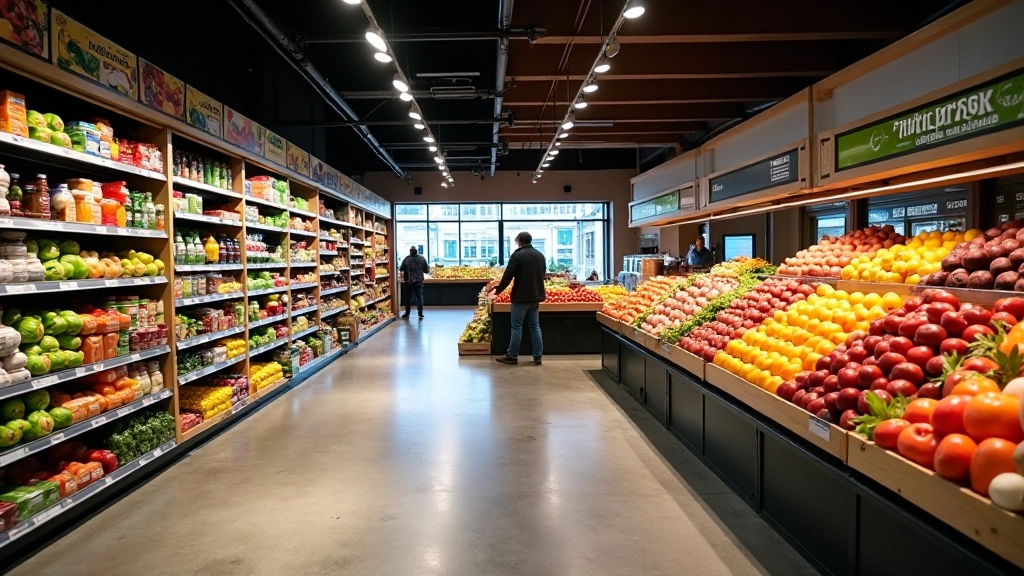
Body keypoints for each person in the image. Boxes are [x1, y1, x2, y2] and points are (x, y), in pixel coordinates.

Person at [489, 231, 546, 365]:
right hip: (536, 296)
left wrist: (498, 290)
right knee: (535, 326)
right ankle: (538, 356)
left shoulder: (517, 255)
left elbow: (508, 276)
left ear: (519, 240)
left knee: (516, 327)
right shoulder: (540, 255)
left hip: (521, 297)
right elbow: (542, 274)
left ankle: (512, 355)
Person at [399, 247, 429, 319]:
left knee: (408, 298)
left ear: (410, 252)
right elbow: (427, 270)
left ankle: (407, 313)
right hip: (419, 281)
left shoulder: (406, 259)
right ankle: (420, 313)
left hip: (408, 281)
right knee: (419, 297)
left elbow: (401, 269)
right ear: (417, 251)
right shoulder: (422, 259)